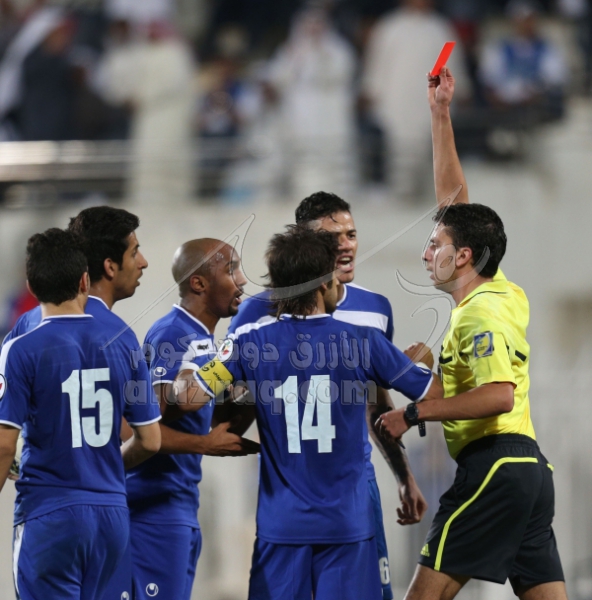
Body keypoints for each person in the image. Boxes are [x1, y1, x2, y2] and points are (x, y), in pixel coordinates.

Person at [377, 66, 567, 599]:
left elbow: (498, 395)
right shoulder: (500, 290)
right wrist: (440, 114)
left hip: (493, 465)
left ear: (462, 256)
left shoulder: (478, 315)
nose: (425, 253)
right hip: (530, 470)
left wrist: (413, 412)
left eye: (434, 245)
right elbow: (454, 205)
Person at [174, 225, 443, 600]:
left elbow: (188, 398)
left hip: (281, 529)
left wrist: (188, 368)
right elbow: (435, 395)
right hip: (347, 527)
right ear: (324, 282)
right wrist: (421, 362)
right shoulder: (364, 341)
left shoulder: (249, 344)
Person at [228, 191, 428, 599]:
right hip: (289, 481)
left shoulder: (375, 309)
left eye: (351, 234)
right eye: (332, 238)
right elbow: (239, 397)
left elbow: (376, 402)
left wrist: (404, 476)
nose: (345, 245)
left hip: (354, 487)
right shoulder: (254, 314)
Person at [0, 228, 161, 600]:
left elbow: (5, 446)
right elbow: (151, 441)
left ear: (32, 286)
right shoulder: (124, 340)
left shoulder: (21, 347)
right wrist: (101, 465)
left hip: (49, 513)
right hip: (111, 518)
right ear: (85, 281)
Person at [125, 238, 260, 600]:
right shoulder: (174, 333)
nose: (242, 280)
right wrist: (204, 445)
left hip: (180, 500)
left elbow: (212, 420)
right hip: (154, 506)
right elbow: (147, 425)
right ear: (199, 283)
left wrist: (251, 392)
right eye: (231, 269)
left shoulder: (204, 340)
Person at [362, 0, 469, 201]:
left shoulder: (440, 29)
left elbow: (450, 64)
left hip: (429, 103)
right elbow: (377, 67)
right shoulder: (389, 27)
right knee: (398, 159)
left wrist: (459, 89)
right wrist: (371, 91)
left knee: (431, 159)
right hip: (397, 101)